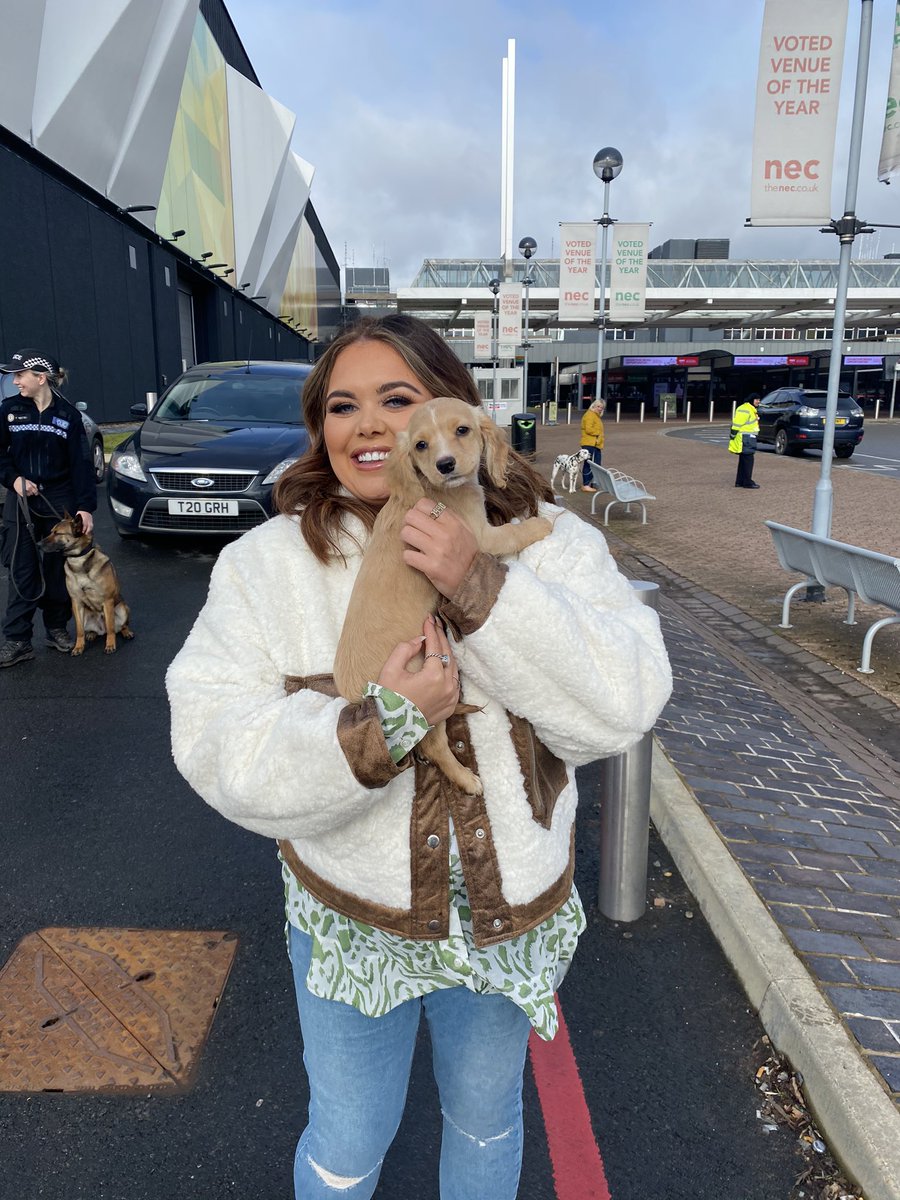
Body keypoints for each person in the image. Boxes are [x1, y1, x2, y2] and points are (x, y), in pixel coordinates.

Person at [167, 314, 672, 1200]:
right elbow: (215, 741)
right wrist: (385, 723)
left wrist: (481, 585)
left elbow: (625, 702)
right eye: (342, 405)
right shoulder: (269, 565)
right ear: (319, 427)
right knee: (347, 1142)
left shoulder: (549, 539)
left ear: (456, 413)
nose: (369, 426)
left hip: (507, 915)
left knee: (486, 1124)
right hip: (355, 919)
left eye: (398, 400)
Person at [0, 348, 96, 668]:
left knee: (57, 570)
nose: (15, 381)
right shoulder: (9, 409)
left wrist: (85, 508)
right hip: (21, 500)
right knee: (22, 568)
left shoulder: (67, 415)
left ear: (41, 378)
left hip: (59, 500)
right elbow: (1, 455)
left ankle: (56, 629)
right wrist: (13, 479)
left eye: (20, 375)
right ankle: (17, 640)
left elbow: (81, 465)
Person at [729, 391, 761, 489]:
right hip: (746, 437)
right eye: (756, 400)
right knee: (748, 460)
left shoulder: (750, 409)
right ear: (752, 399)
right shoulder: (746, 409)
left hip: (746, 437)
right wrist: (732, 435)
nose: (758, 402)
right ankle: (747, 482)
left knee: (743, 460)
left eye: (759, 400)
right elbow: (737, 423)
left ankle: (740, 481)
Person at [579, 397, 605, 492]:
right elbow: (589, 429)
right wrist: (599, 433)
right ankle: (586, 484)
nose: (600, 409)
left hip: (595, 444)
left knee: (596, 464)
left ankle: (590, 482)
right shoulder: (590, 415)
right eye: (598, 406)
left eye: (601, 407)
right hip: (590, 443)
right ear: (593, 405)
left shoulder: (595, 416)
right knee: (589, 464)